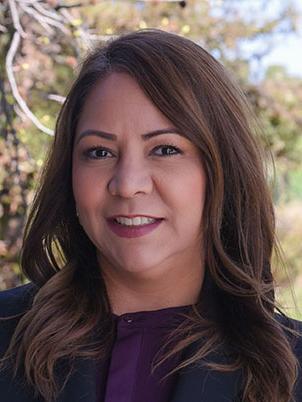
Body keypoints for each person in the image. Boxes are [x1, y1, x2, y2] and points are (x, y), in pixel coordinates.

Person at [0, 29, 301, 402]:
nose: (127, 185)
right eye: (99, 152)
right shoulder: (5, 339)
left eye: (164, 149)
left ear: (222, 170)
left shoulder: (292, 371)